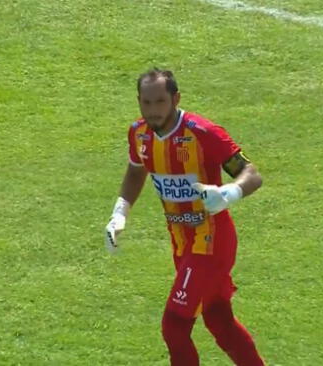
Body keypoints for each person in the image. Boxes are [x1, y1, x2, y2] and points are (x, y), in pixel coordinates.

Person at [104, 68, 265, 365]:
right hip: (182, 243)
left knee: (174, 327)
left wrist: (228, 193)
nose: (153, 111)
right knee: (218, 319)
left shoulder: (202, 133)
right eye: (146, 103)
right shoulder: (139, 133)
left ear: (176, 98)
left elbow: (251, 174)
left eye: (160, 102)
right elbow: (136, 169)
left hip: (211, 241)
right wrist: (120, 212)